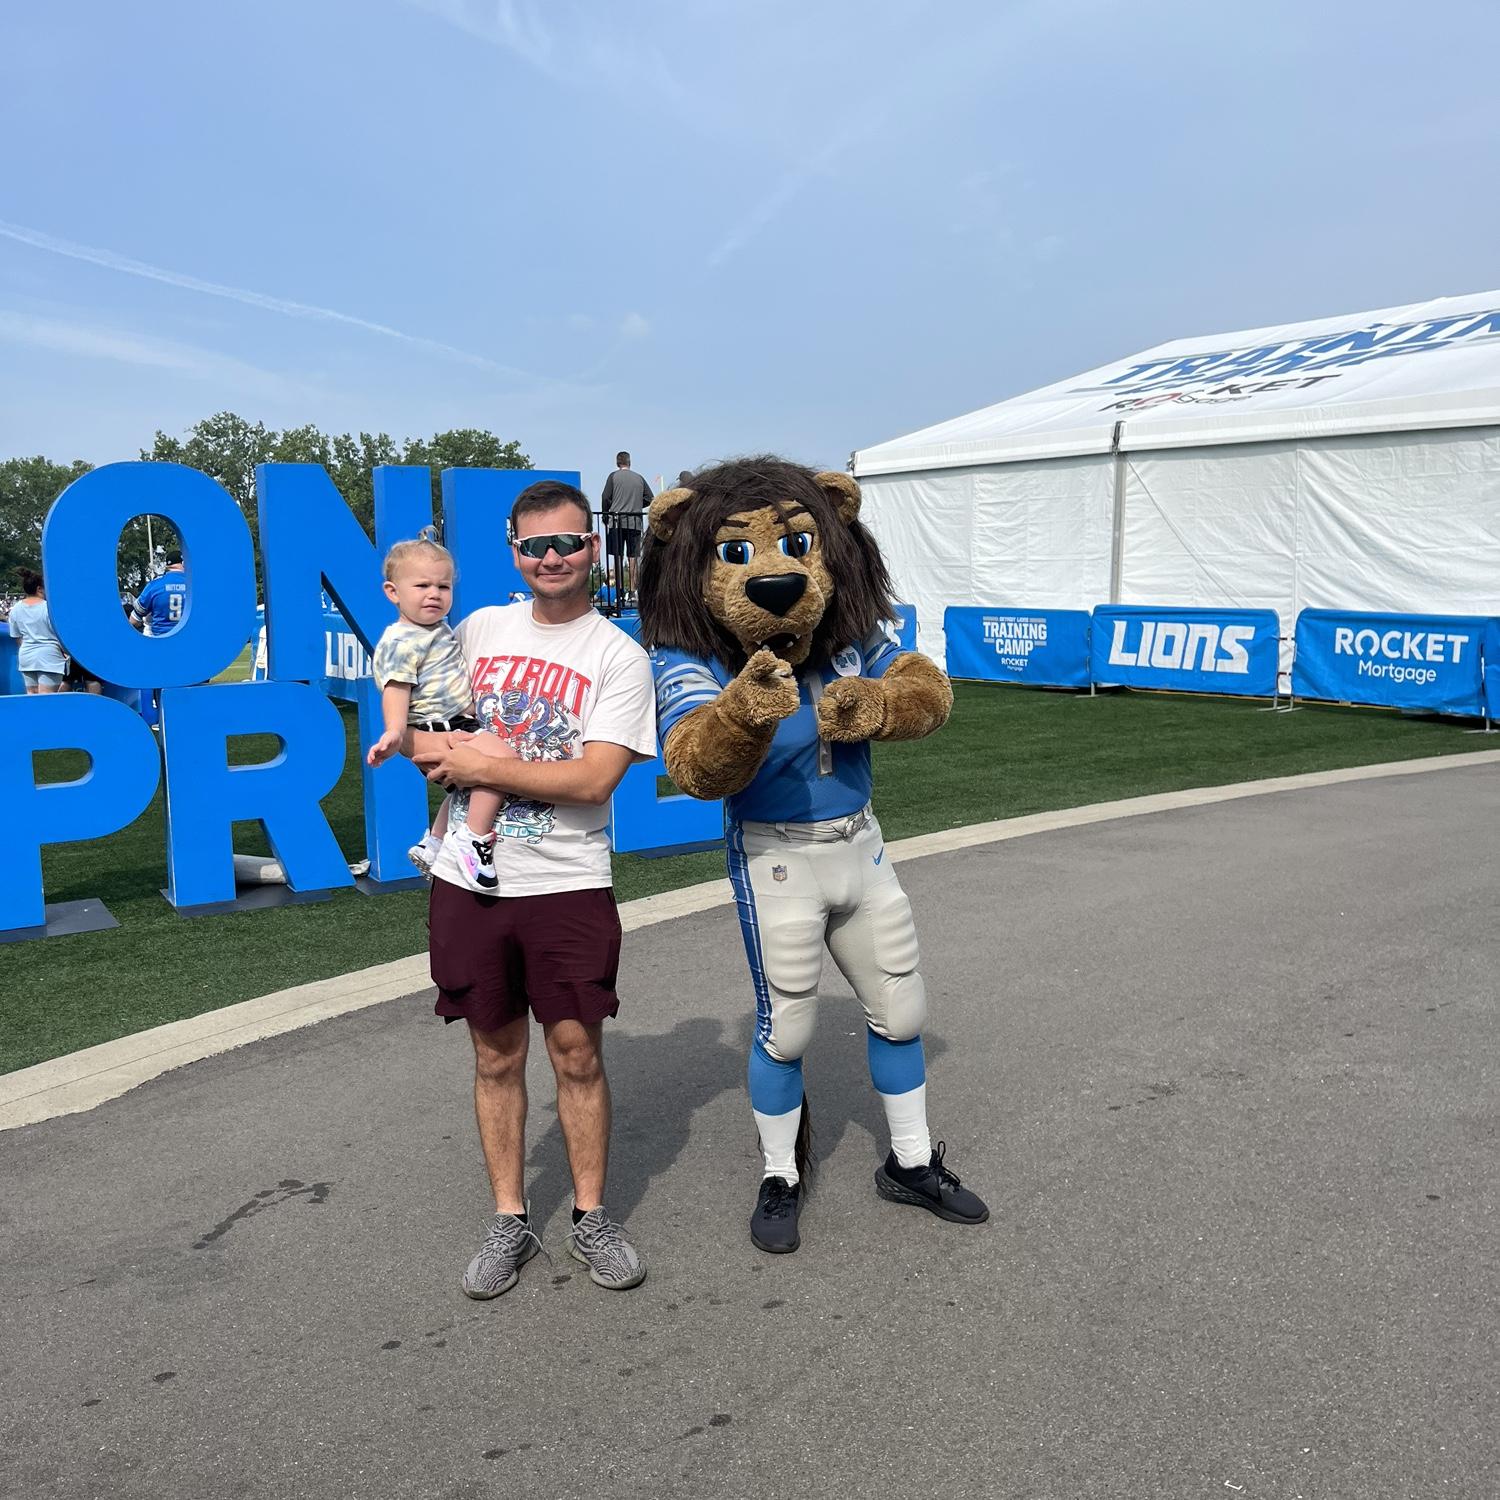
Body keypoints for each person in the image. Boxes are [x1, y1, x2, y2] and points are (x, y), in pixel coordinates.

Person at [410, 479, 657, 1299]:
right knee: (494, 1054)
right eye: (535, 545)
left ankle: (590, 1216)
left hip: (567, 882)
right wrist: (440, 753)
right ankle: (510, 1219)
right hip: (470, 882)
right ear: (513, 552)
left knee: (577, 1053)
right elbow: (422, 730)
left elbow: (593, 781)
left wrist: (483, 765)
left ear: (593, 546)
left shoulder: (618, 655)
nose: (552, 558)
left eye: (567, 542)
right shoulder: (480, 629)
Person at [366, 535, 504, 891]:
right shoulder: (401, 641)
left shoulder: (436, 630)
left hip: (457, 722)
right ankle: (472, 837)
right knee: (502, 764)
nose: (434, 594)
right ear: (393, 593)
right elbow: (396, 689)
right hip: (438, 728)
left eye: (443, 586)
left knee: (465, 791)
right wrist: (395, 732)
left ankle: (435, 843)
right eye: (422, 585)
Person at [599, 451, 652, 597]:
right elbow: (650, 497)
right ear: (629, 462)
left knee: (617, 555)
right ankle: (633, 590)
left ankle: (620, 590)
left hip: (616, 521)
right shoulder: (639, 478)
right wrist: (637, 505)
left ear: (617, 463)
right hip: (634, 521)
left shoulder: (613, 477)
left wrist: (606, 514)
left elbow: (605, 497)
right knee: (633, 556)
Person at [8, 569, 67, 694]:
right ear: (39, 589)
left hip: (26, 656)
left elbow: (17, 637)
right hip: (49, 657)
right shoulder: (49, 608)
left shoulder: (15, 609)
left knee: (32, 697)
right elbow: (60, 635)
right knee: (47, 699)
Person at [131, 552, 187, 636]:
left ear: (168, 566)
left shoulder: (154, 585)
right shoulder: (195, 585)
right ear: (183, 563)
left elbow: (134, 620)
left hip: (160, 638)